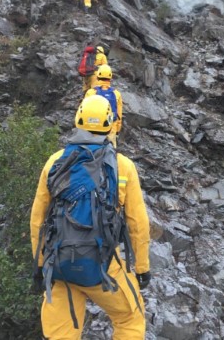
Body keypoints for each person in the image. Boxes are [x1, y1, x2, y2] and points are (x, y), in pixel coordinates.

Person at [30, 95, 150, 340]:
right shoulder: (122, 165)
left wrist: (40, 264)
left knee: (60, 334)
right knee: (130, 319)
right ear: (110, 123)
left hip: (60, 266)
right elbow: (138, 223)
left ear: (78, 120)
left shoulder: (54, 162)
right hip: (103, 266)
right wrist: (142, 268)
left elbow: (38, 220)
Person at [85, 64, 122, 148]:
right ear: (110, 78)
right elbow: (119, 115)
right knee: (110, 153)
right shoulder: (116, 94)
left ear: (97, 76)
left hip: (93, 128)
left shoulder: (91, 92)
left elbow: (85, 111)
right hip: (111, 128)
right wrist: (117, 130)